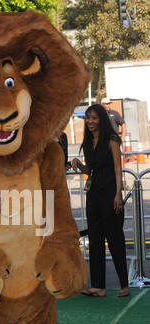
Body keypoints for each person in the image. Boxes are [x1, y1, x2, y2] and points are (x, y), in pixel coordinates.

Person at [71, 104, 130, 298]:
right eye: (88, 118)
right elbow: (91, 170)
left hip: (110, 191)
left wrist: (117, 194)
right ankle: (98, 286)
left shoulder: (112, 139)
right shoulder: (88, 142)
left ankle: (124, 284)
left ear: (102, 119)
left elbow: (117, 168)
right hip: (94, 193)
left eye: (94, 118)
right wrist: (79, 165)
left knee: (114, 239)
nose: (90, 122)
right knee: (95, 239)